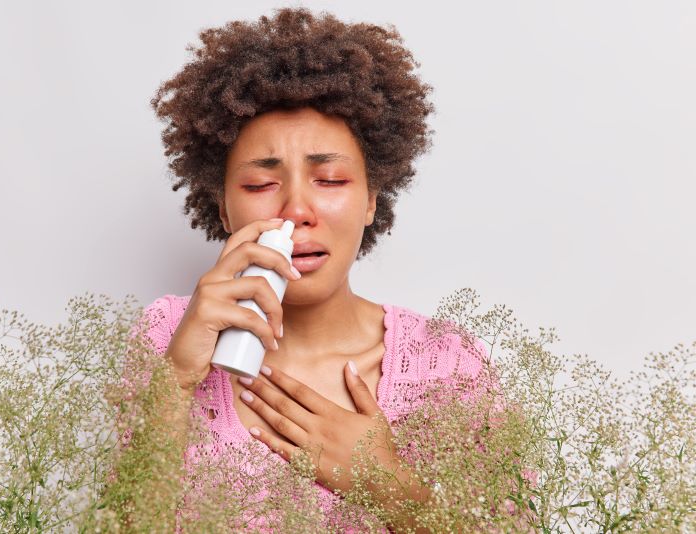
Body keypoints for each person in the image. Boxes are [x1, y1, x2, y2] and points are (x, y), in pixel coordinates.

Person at [118, 6, 527, 532]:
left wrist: (393, 489)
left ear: (372, 200)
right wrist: (175, 380)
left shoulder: (447, 364)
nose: (295, 210)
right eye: (260, 185)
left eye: (330, 180)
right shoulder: (165, 335)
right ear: (221, 208)